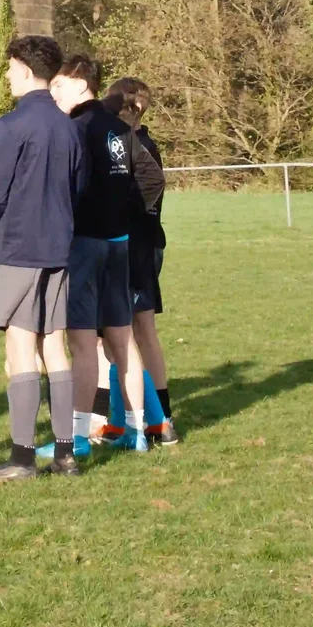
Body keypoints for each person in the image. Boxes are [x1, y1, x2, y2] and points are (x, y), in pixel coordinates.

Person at [0, 36, 83, 481]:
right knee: (54, 344)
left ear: (22, 68)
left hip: (19, 246)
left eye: (9, 67)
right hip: (59, 244)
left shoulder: (11, 125)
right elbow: (78, 188)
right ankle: (65, 454)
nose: (6, 75)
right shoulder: (68, 127)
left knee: (20, 344)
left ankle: (20, 459)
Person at [50, 54, 147, 456]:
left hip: (87, 243)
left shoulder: (78, 128)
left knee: (84, 343)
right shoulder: (121, 129)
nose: (53, 93)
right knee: (122, 340)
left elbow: (71, 188)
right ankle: (139, 432)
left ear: (78, 83)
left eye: (57, 85)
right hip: (120, 242)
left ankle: (76, 437)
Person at [108, 76, 180, 446]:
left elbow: (152, 188)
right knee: (141, 330)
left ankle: (153, 422)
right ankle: (158, 419)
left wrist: (125, 218)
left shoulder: (134, 145)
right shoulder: (138, 142)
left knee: (124, 333)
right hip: (146, 246)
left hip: (135, 249)